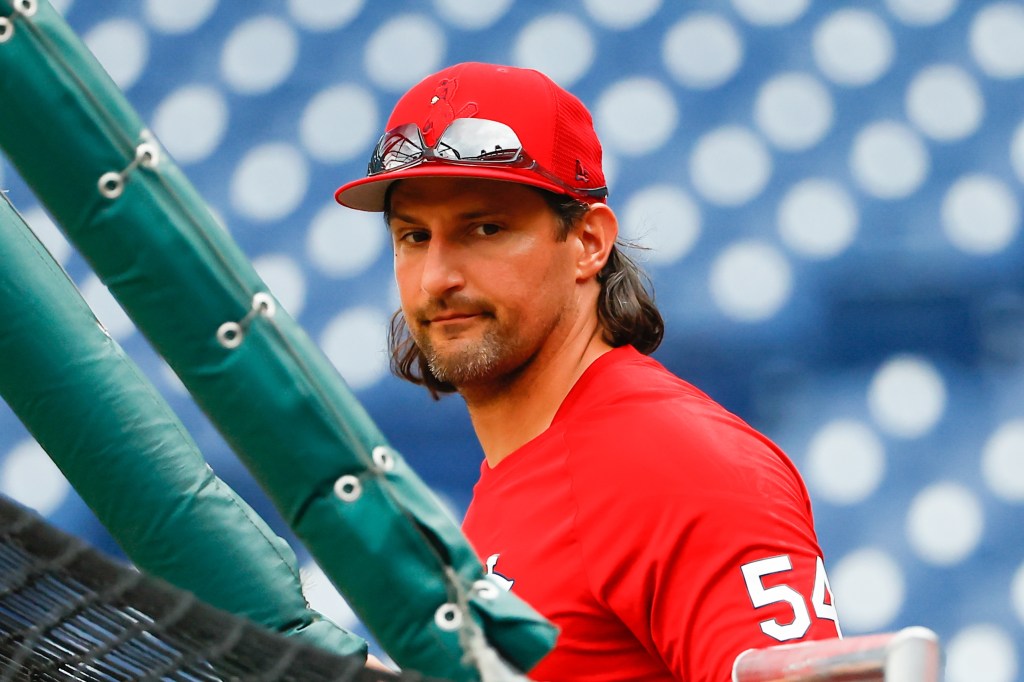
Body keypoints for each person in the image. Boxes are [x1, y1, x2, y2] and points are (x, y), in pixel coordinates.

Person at [335, 62, 841, 682]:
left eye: (485, 228)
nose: (438, 277)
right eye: (413, 236)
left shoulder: (678, 464)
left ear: (589, 242)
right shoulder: (522, 469)